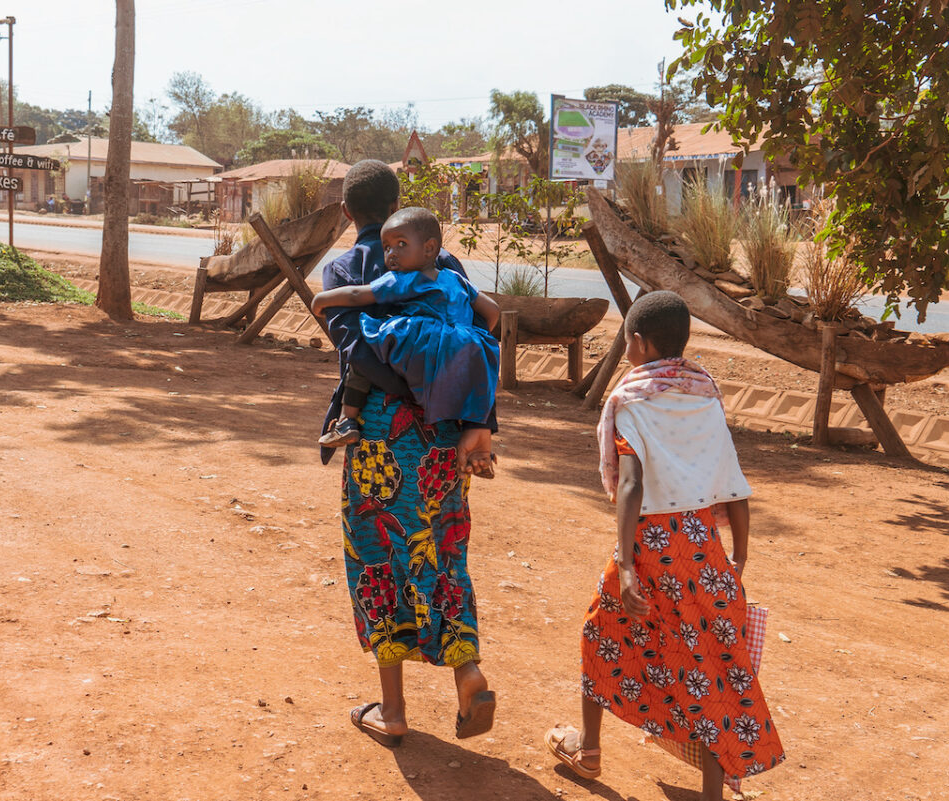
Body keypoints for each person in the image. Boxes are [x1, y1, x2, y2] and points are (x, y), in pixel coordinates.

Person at [545, 291, 784, 799]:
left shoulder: (633, 399)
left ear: (636, 343)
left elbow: (630, 485)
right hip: (703, 542)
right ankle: (713, 792)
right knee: (710, 660)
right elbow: (732, 481)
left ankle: (588, 750)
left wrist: (628, 566)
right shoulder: (704, 394)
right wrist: (738, 556)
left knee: (603, 632)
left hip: (651, 542)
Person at [319, 160, 498, 748]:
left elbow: (359, 354)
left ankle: (393, 711)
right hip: (446, 431)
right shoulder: (442, 260)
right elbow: (478, 343)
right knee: (444, 545)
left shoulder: (345, 269)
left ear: (348, 212)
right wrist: (479, 424)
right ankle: (467, 673)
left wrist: (398, 377)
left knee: (377, 552)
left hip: (380, 436)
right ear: (397, 204)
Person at [310, 205, 500, 475]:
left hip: (421, 340)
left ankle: (347, 420)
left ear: (430, 248)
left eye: (400, 244)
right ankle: (480, 445)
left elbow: (355, 295)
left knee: (369, 338)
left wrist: (321, 300)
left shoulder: (405, 280)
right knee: (477, 376)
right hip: (465, 341)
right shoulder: (456, 278)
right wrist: (471, 339)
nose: (391, 254)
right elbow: (492, 311)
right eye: (387, 247)